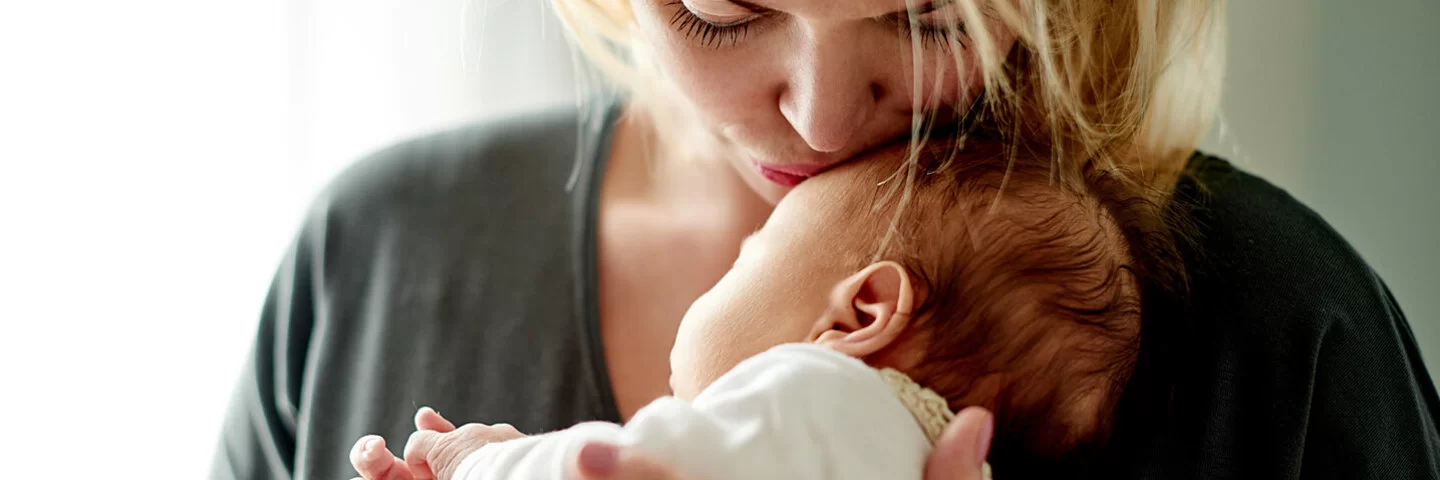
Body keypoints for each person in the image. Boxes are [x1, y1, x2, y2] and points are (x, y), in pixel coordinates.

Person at [211, 0, 1440, 478]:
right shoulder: (372, 255)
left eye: (925, 15)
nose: (814, 110)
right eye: (720, 9)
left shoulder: (1278, 335)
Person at [344, 143, 1163, 480]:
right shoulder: (901, 458)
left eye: (755, 252)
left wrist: (480, 461)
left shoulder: (821, 397)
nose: (731, 261)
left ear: (861, 312)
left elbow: (633, 464)